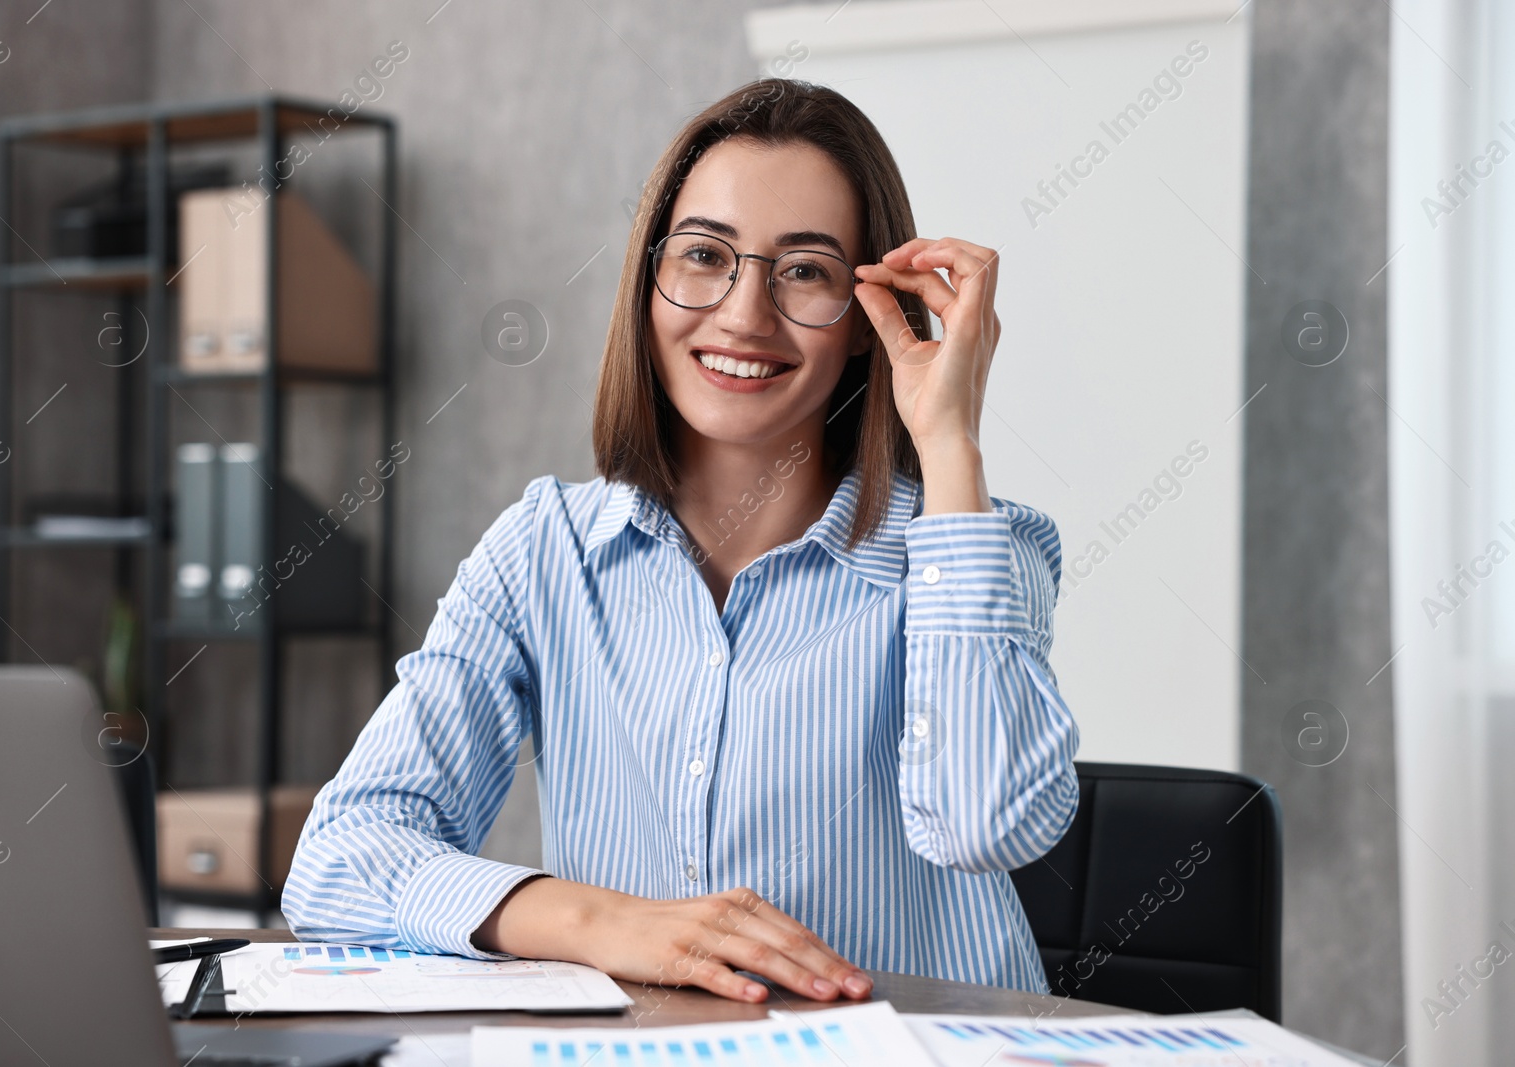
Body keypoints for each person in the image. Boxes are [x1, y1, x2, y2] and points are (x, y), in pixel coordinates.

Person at [282, 77, 1080, 1006]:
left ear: (872, 324)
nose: (745, 314)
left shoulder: (971, 544)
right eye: (706, 256)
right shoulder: (548, 552)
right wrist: (602, 923)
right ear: (649, 279)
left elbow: (985, 823)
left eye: (807, 271)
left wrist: (948, 442)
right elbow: (339, 857)